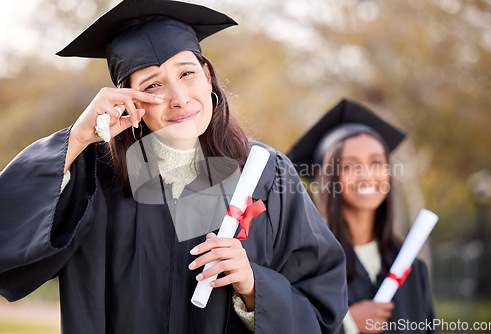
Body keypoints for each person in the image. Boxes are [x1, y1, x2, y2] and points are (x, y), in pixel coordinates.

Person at [0, 1, 348, 333]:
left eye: (187, 73)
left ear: (208, 76)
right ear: (128, 99)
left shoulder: (266, 174)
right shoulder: (94, 178)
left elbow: (321, 309)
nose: (179, 97)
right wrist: (76, 139)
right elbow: (7, 249)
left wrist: (254, 286)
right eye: (152, 85)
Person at [288, 99, 436, 334]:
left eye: (377, 162)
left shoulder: (411, 267)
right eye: (349, 166)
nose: (367, 175)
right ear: (328, 179)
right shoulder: (306, 264)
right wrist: (346, 325)